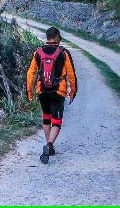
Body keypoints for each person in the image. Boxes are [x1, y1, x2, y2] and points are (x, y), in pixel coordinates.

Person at [26, 26, 78, 164]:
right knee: (56, 122)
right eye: (59, 37)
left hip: (42, 90)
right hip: (58, 91)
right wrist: (73, 91)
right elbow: (71, 74)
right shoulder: (63, 53)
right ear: (56, 38)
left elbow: (30, 73)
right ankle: (49, 145)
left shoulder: (38, 52)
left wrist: (29, 92)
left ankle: (50, 146)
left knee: (46, 117)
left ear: (47, 37)